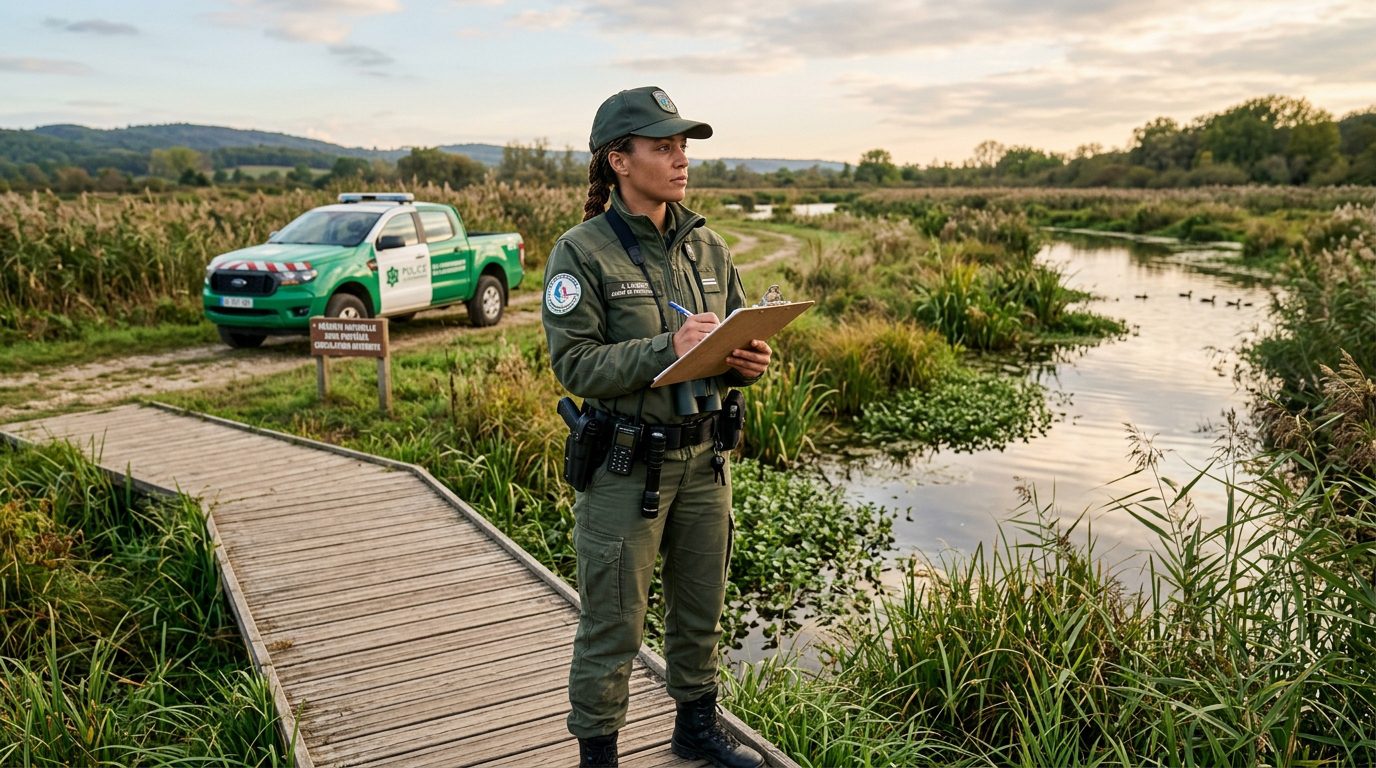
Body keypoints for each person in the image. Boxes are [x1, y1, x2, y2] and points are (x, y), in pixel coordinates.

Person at [542, 86, 772, 768]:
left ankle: (695, 727)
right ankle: (600, 754)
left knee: (702, 609)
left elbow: (723, 344)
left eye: (683, 146)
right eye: (663, 146)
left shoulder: (707, 247)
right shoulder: (582, 253)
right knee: (613, 624)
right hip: (624, 470)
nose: (681, 160)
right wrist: (664, 347)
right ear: (619, 159)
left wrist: (746, 362)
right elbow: (575, 365)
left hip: (705, 462)